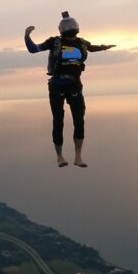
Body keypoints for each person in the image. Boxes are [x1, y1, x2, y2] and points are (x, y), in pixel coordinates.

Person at [24, 12, 115, 168]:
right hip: (57, 85)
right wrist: (27, 35)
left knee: (79, 120)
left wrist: (104, 47)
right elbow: (33, 49)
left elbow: (92, 48)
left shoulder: (81, 42)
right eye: (68, 26)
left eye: (71, 25)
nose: (69, 28)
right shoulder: (55, 42)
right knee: (58, 120)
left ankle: (78, 156)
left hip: (74, 85)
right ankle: (60, 156)